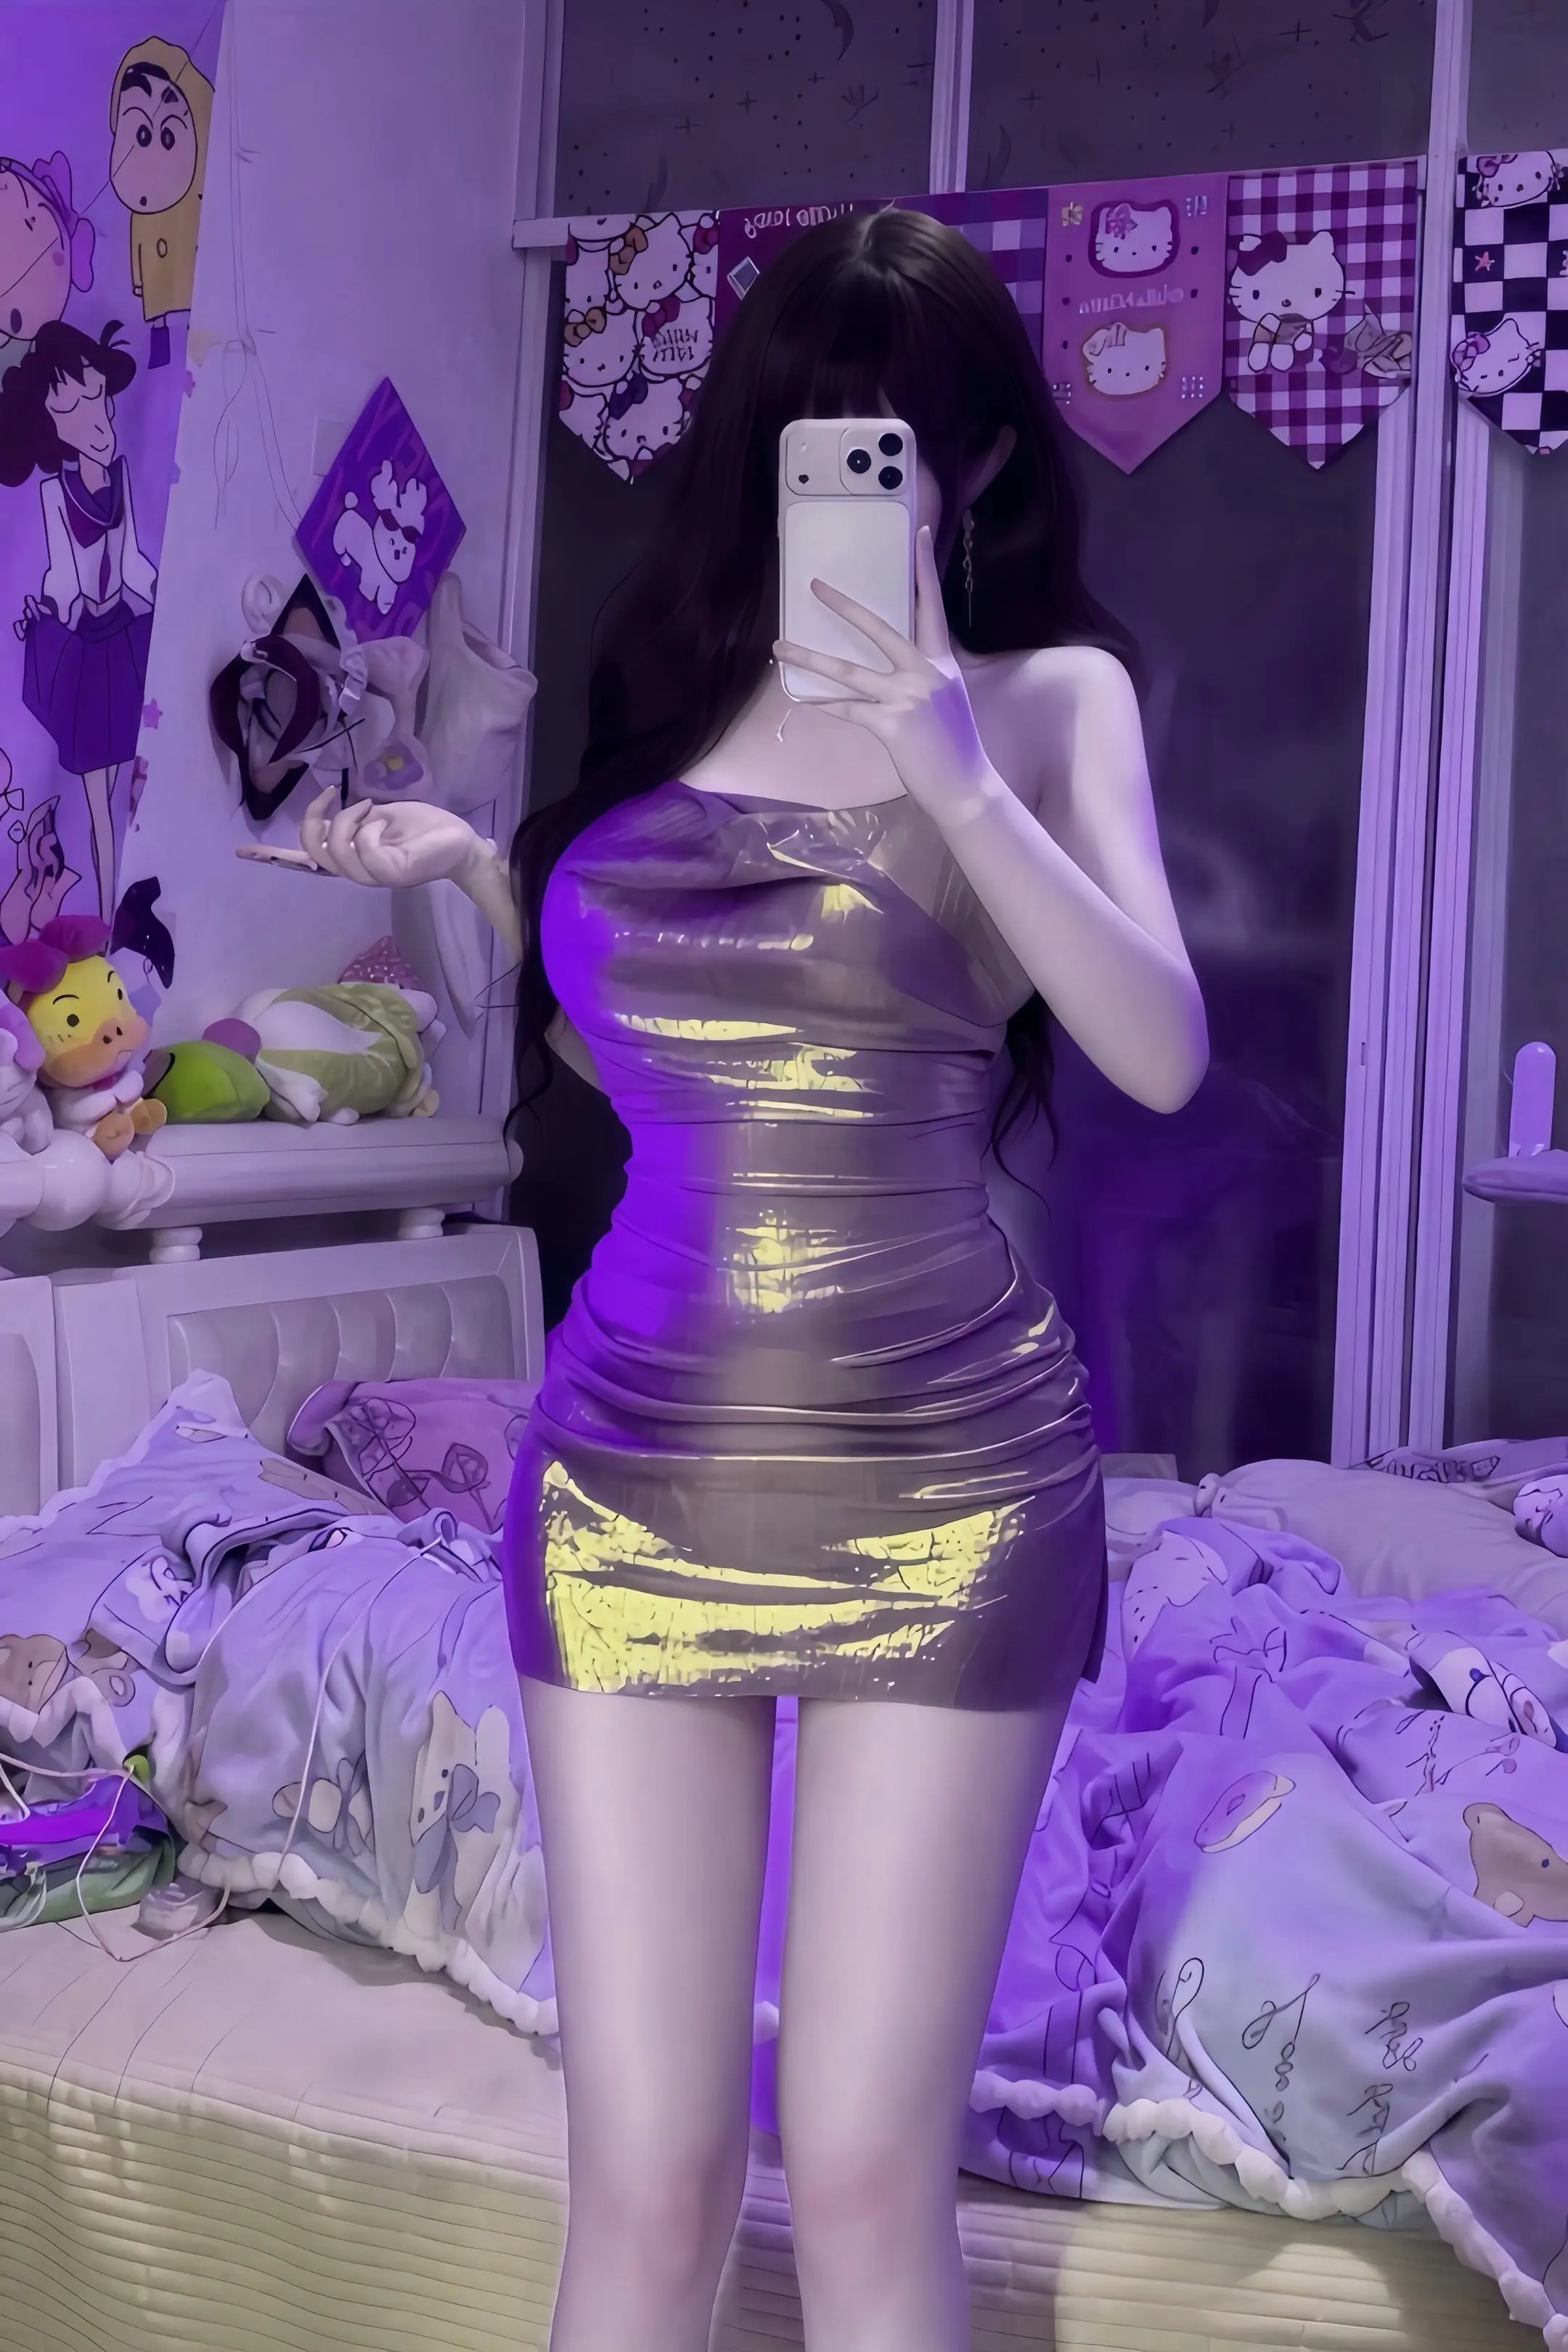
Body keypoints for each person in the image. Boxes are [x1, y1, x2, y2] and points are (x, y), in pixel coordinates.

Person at [245, 209, 1207, 2351]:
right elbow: (657, 1060)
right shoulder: (674, 702)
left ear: (973, 467)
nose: (840, 477)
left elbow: (1156, 1043)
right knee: (649, 2178)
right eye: (803, 432)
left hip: (947, 1480)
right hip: (621, 1469)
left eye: (891, 439)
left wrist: (950, 766)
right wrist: (475, 874)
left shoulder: (1045, 704)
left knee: (857, 2171)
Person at [0, 319, 156, 925]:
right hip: (88, 656)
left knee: (112, 796)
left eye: (96, 396)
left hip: (125, 642)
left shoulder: (122, 478)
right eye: (73, 406)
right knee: (97, 803)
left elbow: (134, 560)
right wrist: (47, 611)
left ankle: (104, 917)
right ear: (53, 425)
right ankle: (102, 918)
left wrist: (159, 598)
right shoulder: (53, 494)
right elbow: (63, 578)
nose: (96, 416)